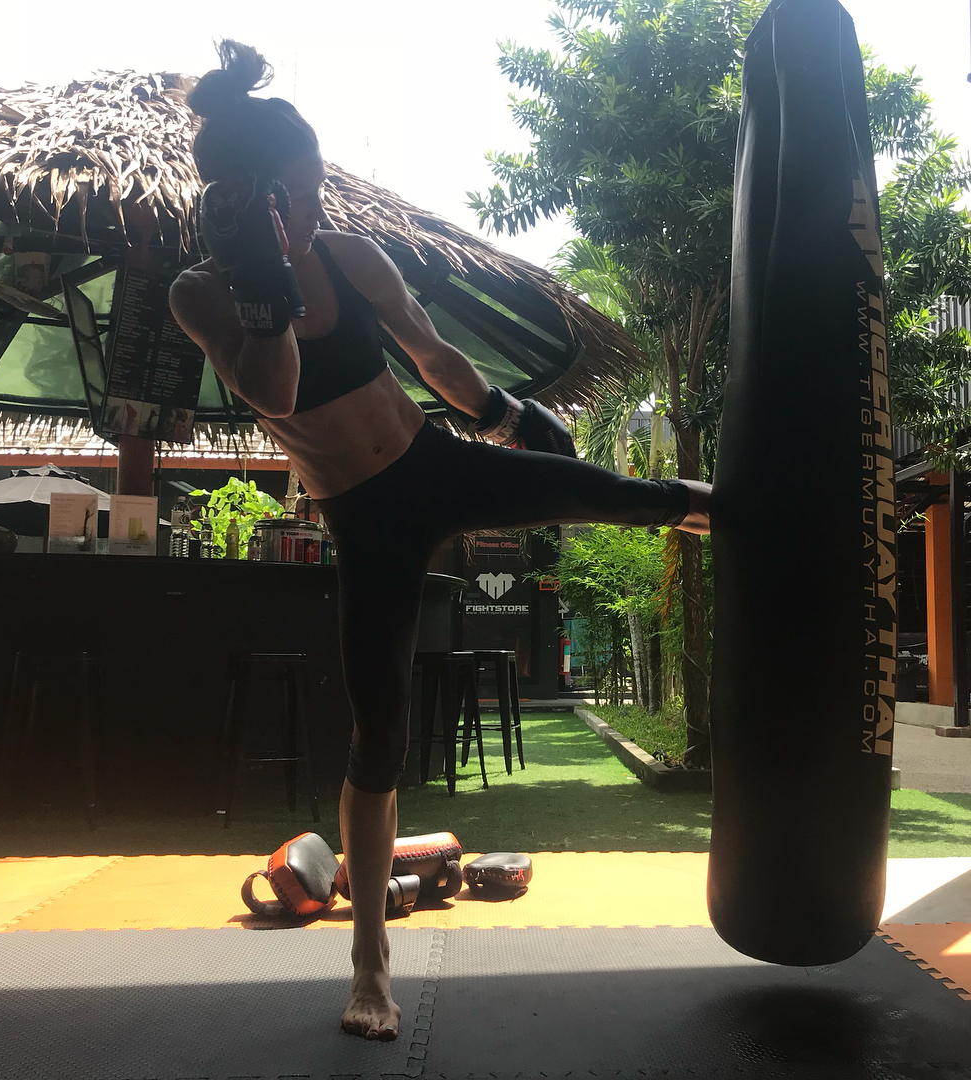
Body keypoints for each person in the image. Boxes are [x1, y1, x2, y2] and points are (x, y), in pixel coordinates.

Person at [169, 40, 712, 1042]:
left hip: (435, 463)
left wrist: (503, 415)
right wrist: (264, 287)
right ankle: (370, 965)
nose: (315, 204)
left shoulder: (350, 255)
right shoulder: (201, 292)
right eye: (298, 192)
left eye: (319, 184)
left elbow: (431, 352)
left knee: (601, 490)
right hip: (365, 518)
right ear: (250, 199)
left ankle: (741, 509)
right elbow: (276, 393)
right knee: (380, 732)